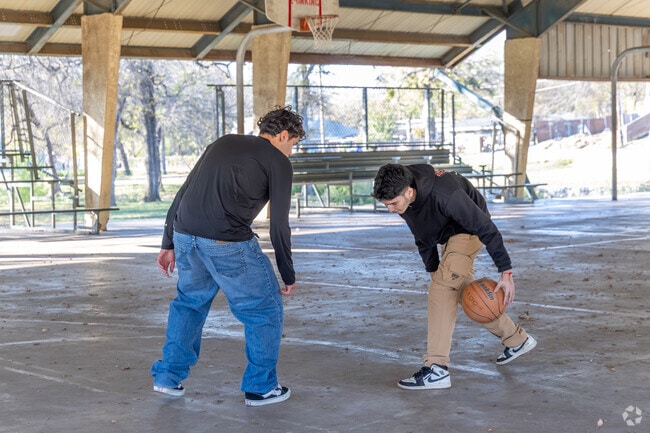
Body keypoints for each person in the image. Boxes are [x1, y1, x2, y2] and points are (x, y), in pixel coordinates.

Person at [151, 105, 306, 406]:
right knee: (264, 309)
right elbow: (279, 225)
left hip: (185, 236)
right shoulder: (278, 160)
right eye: (293, 145)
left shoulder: (222, 142)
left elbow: (183, 192)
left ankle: (167, 377)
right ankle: (261, 387)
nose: (291, 152)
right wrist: (287, 274)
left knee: (189, 304)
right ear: (283, 135)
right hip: (226, 242)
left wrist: (168, 241)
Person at [372, 163, 536, 390]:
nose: (390, 209)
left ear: (409, 191)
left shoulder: (446, 194)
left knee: (441, 291)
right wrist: (433, 269)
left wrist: (506, 271)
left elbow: (486, 227)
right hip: (447, 236)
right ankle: (516, 339)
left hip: (468, 231)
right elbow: (421, 233)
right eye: (385, 204)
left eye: (392, 204)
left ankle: (437, 369)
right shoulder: (404, 198)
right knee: (466, 294)